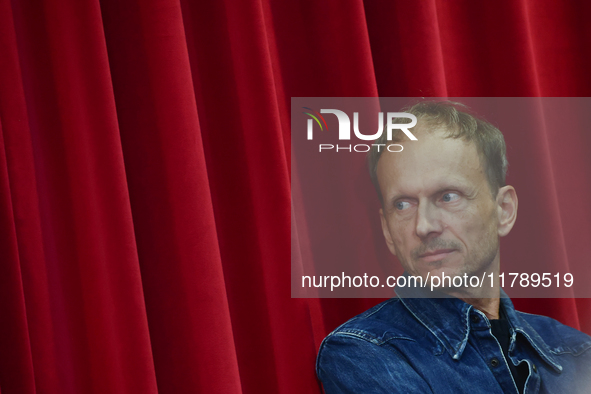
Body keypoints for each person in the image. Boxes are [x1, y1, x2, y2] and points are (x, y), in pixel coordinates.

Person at [315, 101, 591, 393]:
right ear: (386, 229)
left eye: (448, 196)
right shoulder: (364, 353)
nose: (423, 226)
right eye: (403, 204)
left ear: (504, 210)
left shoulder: (577, 351)